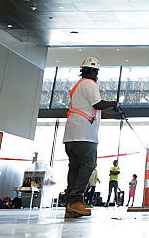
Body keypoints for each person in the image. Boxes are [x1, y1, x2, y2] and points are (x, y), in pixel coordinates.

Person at [62, 57, 119, 220]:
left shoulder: (79, 87)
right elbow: (98, 104)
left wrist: (115, 116)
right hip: (84, 136)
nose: (97, 75)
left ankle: (70, 204)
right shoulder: (90, 84)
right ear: (92, 71)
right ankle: (76, 200)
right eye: (96, 72)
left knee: (75, 168)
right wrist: (114, 103)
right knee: (88, 165)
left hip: (71, 136)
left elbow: (95, 111)